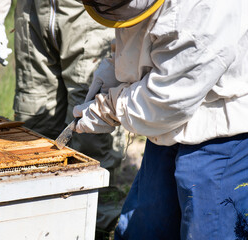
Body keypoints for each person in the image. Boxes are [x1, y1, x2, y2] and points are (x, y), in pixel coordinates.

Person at [72, 0, 248, 239]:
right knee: (145, 226)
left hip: (221, 131)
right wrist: (114, 72)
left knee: (207, 229)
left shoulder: (204, 8)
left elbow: (168, 99)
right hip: (167, 124)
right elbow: (143, 33)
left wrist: (111, 108)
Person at [0, 0, 127, 238]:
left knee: (92, 122)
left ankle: (100, 223)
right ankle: (35, 218)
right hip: (32, 13)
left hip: (89, 11)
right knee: (33, 121)